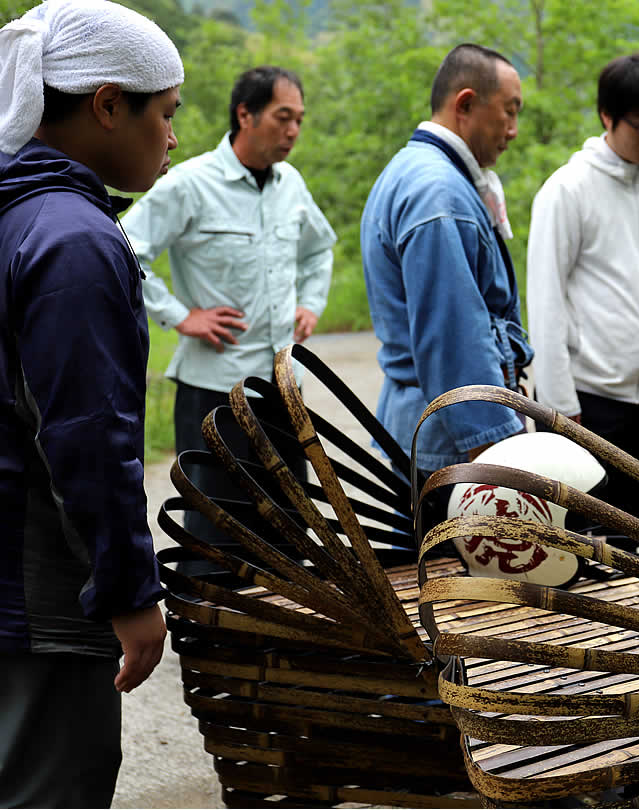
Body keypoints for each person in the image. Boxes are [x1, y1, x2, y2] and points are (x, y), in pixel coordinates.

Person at [0, 0, 184, 804]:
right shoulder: (73, 238)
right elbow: (87, 436)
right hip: (40, 579)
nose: (173, 136)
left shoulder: (16, 214)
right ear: (108, 104)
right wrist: (127, 592)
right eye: (167, 113)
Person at [122, 65, 336, 565]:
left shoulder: (291, 184)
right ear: (245, 114)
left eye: (299, 119)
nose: (293, 131)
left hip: (282, 389)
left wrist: (312, 303)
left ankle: (283, 641)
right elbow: (125, 248)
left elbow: (319, 249)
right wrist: (179, 316)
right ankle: (209, 640)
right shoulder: (191, 184)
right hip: (213, 391)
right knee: (215, 534)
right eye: (283, 117)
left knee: (290, 531)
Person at [526, 51, 639, 523]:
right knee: (583, 538)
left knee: (635, 534)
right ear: (608, 116)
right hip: (589, 398)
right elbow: (545, 301)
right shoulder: (567, 190)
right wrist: (558, 404)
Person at [361, 43, 533, 486]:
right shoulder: (439, 195)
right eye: (509, 112)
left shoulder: (414, 170)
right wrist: (490, 458)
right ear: (467, 104)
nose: (513, 130)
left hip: (430, 433)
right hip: (451, 447)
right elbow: (455, 339)